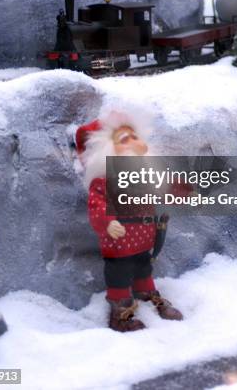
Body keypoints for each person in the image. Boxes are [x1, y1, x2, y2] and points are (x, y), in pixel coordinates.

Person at [75, 110, 183, 332]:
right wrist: (107, 222)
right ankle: (120, 313)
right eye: (125, 139)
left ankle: (146, 293)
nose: (134, 142)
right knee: (120, 278)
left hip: (144, 241)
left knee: (144, 269)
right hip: (119, 244)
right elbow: (97, 205)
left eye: (135, 137)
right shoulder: (105, 181)